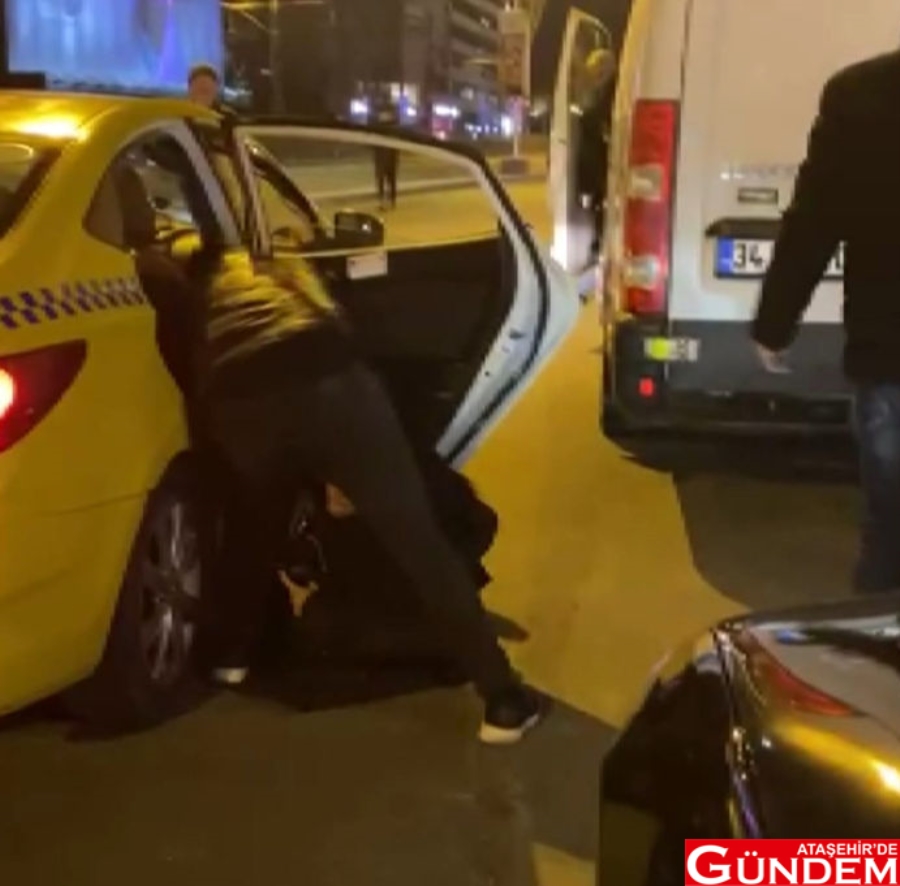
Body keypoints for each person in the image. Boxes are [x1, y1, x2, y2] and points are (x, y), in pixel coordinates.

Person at [192, 250, 545, 745]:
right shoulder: (295, 288)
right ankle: (503, 700)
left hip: (239, 403)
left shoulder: (212, 303)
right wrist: (347, 473)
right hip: (332, 391)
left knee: (255, 529)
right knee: (420, 546)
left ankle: (232, 657)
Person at [751, 49, 900, 594]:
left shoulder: (861, 94)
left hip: (889, 353)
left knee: (890, 529)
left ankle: (875, 634)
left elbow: (814, 220)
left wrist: (775, 322)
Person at [370, 91, 400, 210]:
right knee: (386, 176)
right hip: (385, 149)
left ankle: (388, 199)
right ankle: (387, 200)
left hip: (386, 149)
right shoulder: (388, 111)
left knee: (387, 176)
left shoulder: (382, 111)